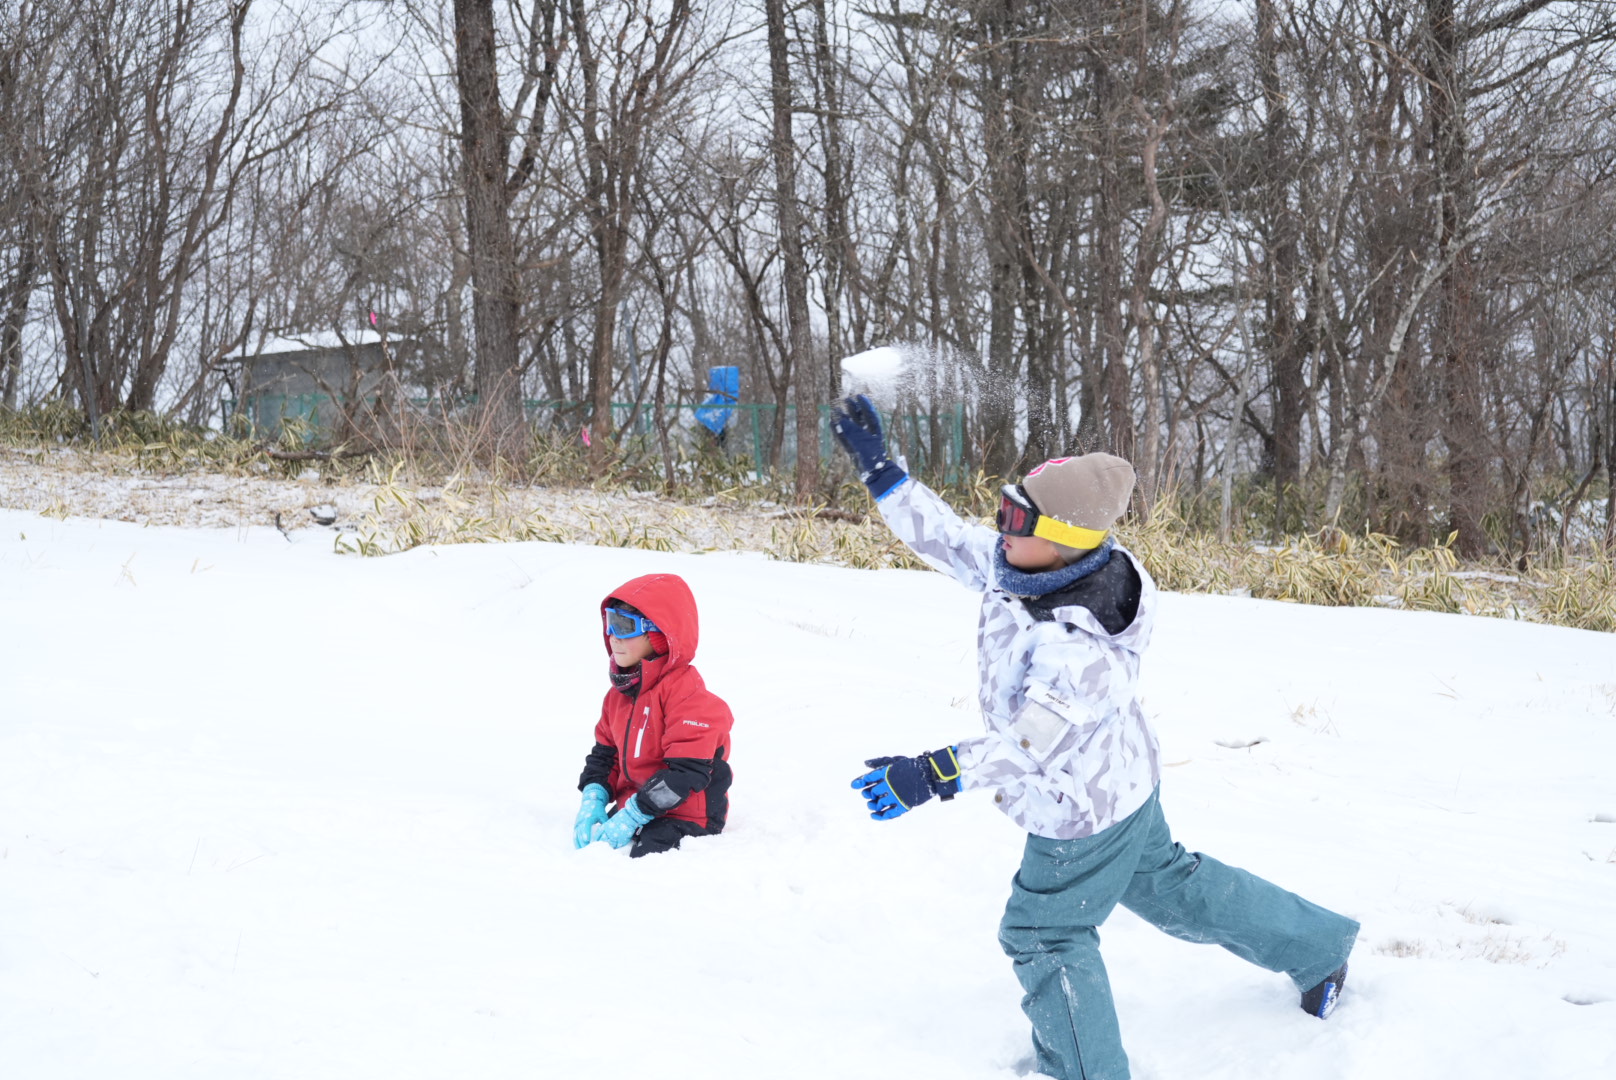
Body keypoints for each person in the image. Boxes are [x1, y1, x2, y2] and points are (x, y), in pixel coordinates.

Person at [831, 395, 1357, 1080]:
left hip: (1079, 808)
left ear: (1064, 537)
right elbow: (949, 540)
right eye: (1003, 508)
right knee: (1174, 889)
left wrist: (932, 772)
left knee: (1044, 935)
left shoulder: (1081, 645)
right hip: (1124, 781)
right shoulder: (1031, 564)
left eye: (1015, 519)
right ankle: (1319, 947)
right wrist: (883, 474)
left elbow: (1029, 746)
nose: (998, 527)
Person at [573, 573, 734, 858]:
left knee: (642, 859)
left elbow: (686, 774)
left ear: (658, 635)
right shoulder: (619, 695)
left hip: (688, 814)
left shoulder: (688, 697)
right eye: (611, 623)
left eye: (624, 627)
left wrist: (635, 814)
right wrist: (594, 796)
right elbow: (604, 754)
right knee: (595, 848)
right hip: (638, 804)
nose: (613, 637)